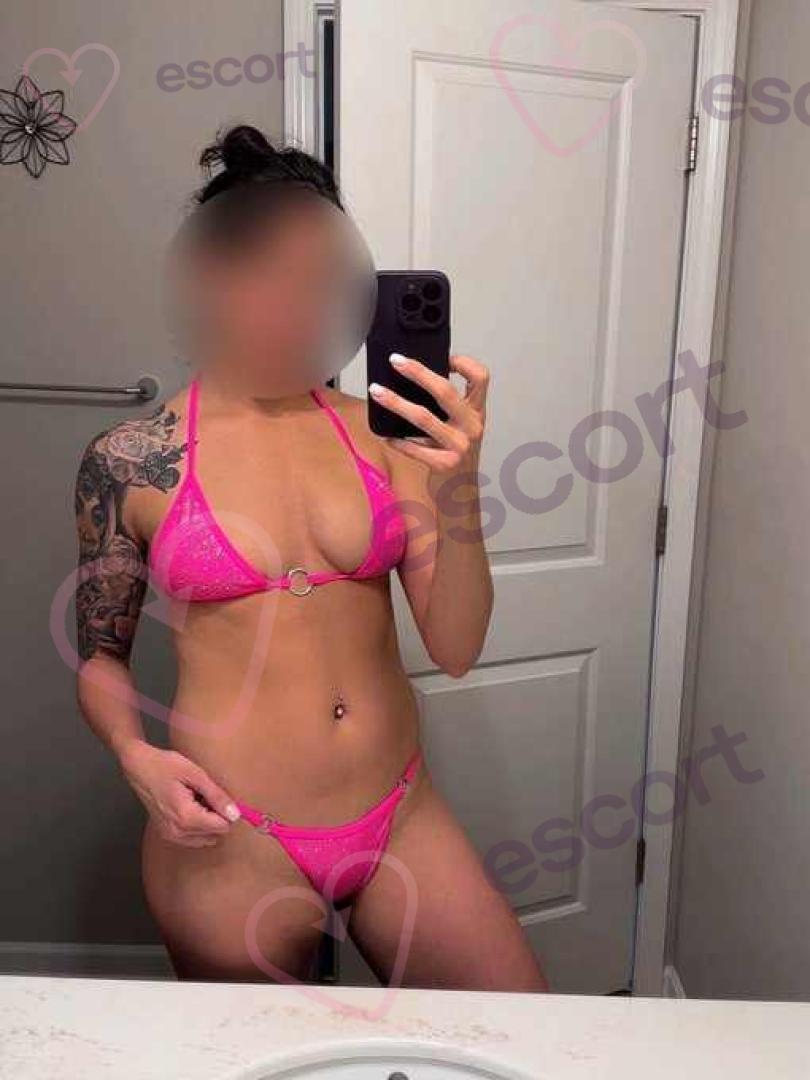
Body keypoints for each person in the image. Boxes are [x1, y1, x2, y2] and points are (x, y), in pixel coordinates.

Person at [74, 124, 547, 991]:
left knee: (525, 1025)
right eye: (269, 274)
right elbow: (102, 657)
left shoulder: (386, 435)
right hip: (233, 836)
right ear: (210, 280)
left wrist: (459, 487)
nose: (296, 303)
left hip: (400, 812)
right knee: (256, 1055)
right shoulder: (134, 459)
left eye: (319, 277)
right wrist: (134, 758)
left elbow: (456, 647)